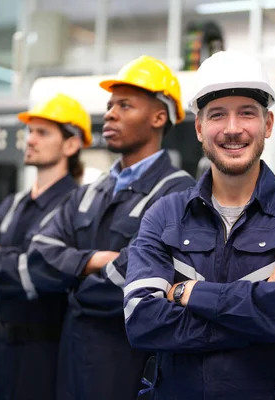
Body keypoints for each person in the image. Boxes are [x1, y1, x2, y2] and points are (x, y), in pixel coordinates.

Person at [123, 50, 275, 400]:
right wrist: (263, 310)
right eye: (218, 115)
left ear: (267, 124)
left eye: (247, 114)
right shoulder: (165, 214)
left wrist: (185, 292)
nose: (233, 129)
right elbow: (142, 322)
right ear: (199, 127)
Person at [26, 55, 196, 400]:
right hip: (71, 355)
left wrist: (70, 283)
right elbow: (38, 254)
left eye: (125, 105)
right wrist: (93, 262)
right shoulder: (92, 190)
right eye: (109, 105)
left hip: (126, 364)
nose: (110, 113)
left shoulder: (177, 193)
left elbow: (141, 280)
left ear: (158, 117)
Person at [0, 93, 92, 400]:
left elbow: (44, 271)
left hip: (46, 353)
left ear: (71, 145)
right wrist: (15, 265)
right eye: (29, 132)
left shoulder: (78, 207)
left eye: (42, 132)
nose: (30, 140)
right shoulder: (12, 204)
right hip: (0, 347)